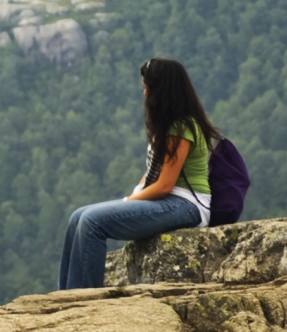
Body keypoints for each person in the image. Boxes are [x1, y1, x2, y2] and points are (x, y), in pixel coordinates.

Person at [56, 57, 219, 290]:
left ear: (161, 91)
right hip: (170, 199)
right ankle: (65, 296)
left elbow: (164, 185)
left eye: (147, 89)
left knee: (92, 222)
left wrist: (129, 201)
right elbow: (152, 175)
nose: (145, 95)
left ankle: (81, 297)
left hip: (187, 204)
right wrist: (131, 199)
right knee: (77, 217)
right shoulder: (169, 125)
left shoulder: (182, 127)